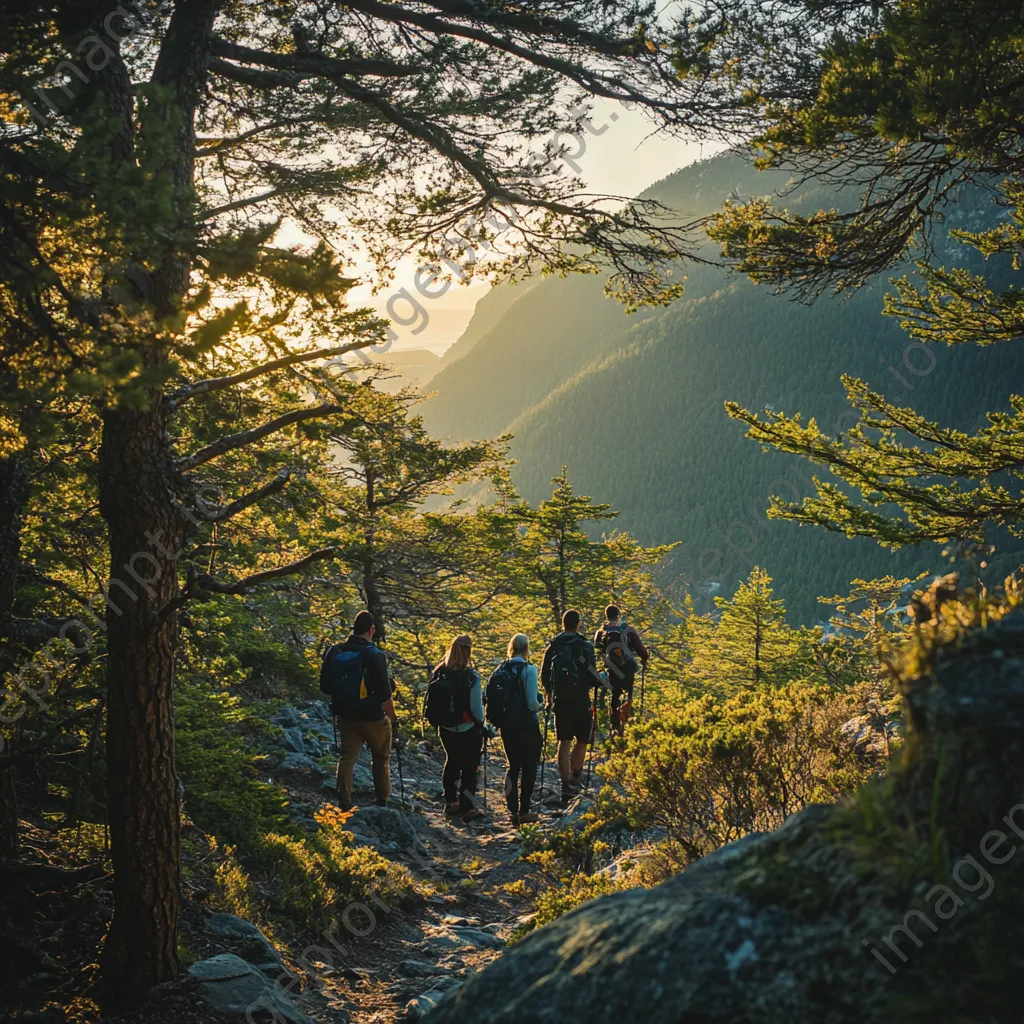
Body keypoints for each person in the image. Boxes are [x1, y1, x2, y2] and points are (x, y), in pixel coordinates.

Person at [320, 610, 398, 810]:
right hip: (373, 718)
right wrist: (394, 719)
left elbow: (325, 687)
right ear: (372, 630)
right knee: (380, 758)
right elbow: (384, 694)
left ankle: (344, 801)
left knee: (348, 757)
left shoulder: (335, 651)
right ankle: (382, 800)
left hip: (347, 716)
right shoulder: (374, 655)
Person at [541, 609, 597, 805]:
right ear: (578, 624)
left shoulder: (554, 646)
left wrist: (549, 697)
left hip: (560, 701)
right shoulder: (585, 645)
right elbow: (591, 674)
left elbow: (544, 675)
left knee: (564, 741)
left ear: (563, 624)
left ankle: (565, 784)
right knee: (583, 738)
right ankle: (575, 777)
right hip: (581, 699)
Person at [487, 633, 543, 827]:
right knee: (529, 767)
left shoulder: (500, 669)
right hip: (527, 725)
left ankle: (512, 809)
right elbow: (531, 702)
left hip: (507, 725)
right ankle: (524, 810)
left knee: (512, 766)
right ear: (526, 648)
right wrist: (542, 705)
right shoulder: (528, 670)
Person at [433, 635, 491, 822]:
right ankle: (467, 807)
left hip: (445, 727)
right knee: (469, 768)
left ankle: (450, 802)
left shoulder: (440, 671)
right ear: (468, 651)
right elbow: (476, 709)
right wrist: (482, 724)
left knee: (451, 761)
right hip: (467, 728)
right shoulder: (470, 676)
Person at [594, 604, 649, 736]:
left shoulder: (601, 632)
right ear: (618, 615)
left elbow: (597, 651)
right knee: (628, 694)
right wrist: (644, 658)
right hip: (628, 668)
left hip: (612, 669)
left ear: (606, 615)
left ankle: (615, 726)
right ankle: (627, 726)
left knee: (615, 694)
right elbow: (640, 649)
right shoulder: (628, 630)